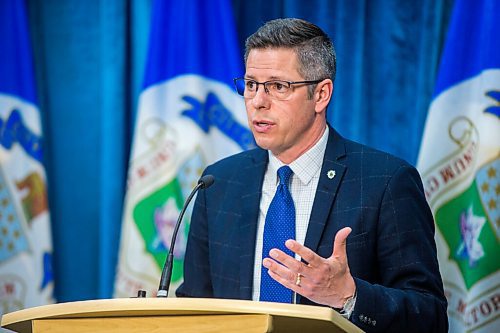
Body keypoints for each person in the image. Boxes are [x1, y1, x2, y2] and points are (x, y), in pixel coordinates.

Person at [176, 18, 448, 332]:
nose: (258, 102)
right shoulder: (218, 183)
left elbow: (430, 317)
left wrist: (349, 296)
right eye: (251, 85)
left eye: (278, 86)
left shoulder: (386, 182)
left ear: (320, 94)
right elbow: (195, 306)